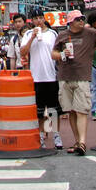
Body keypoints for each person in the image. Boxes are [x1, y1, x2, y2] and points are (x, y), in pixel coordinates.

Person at [52, 9, 96, 156]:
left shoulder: (91, 33)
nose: (81, 21)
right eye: (78, 19)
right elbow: (53, 54)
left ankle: (82, 142)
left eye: (82, 18)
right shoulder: (62, 36)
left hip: (82, 77)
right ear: (70, 23)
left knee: (81, 110)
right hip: (65, 77)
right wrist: (62, 54)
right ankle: (77, 141)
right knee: (71, 111)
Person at [21, 12, 63, 149]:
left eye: (40, 18)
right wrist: (32, 36)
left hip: (51, 76)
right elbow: (23, 52)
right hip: (36, 77)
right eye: (35, 19)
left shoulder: (52, 34)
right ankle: (41, 135)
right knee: (39, 111)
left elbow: (58, 52)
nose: (38, 21)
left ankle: (55, 134)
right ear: (31, 21)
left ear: (44, 19)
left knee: (53, 110)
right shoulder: (27, 34)